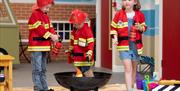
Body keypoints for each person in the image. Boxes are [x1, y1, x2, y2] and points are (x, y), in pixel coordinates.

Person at [110, 0, 147, 91]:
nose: (127, 2)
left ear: (135, 2)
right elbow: (113, 28)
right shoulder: (119, 15)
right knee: (128, 68)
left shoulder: (140, 15)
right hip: (123, 46)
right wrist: (114, 37)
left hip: (136, 46)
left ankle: (131, 86)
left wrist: (140, 27)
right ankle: (129, 90)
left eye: (129, 0)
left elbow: (144, 27)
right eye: (124, 0)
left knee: (134, 67)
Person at [27, 0, 59, 91]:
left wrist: (55, 36)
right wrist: (51, 36)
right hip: (36, 46)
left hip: (44, 46)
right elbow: (39, 29)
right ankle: (38, 88)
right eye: (46, 7)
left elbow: (50, 28)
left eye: (49, 8)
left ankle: (44, 88)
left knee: (43, 69)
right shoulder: (35, 15)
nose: (48, 10)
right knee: (37, 69)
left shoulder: (46, 16)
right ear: (40, 5)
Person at [68, 9, 95, 77]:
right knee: (79, 73)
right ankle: (81, 85)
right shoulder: (75, 31)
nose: (75, 26)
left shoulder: (87, 30)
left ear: (82, 22)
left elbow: (91, 43)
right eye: (74, 24)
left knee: (87, 71)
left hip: (85, 58)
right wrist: (71, 50)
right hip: (77, 58)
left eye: (76, 24)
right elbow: (72, 42)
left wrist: (89, 53)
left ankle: (92, 83)